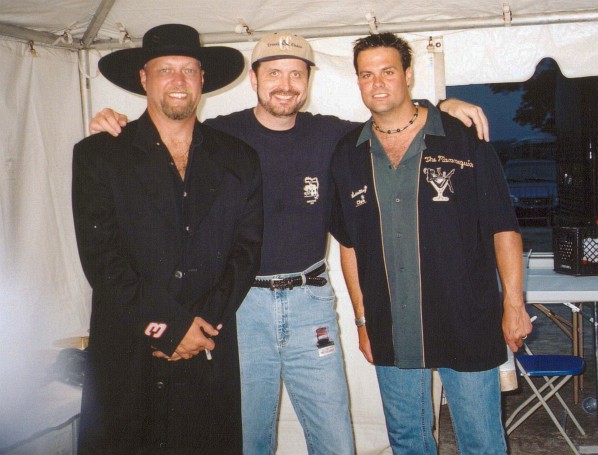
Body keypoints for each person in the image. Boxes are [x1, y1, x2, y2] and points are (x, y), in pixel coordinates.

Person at [89, 31, 490, 454]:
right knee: (246, 437)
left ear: (308, 80)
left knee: (335, 441)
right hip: (242, 307)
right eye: (274, 73)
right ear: (254, 80)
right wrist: (113, 124)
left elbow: (392, 118)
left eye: (296, 74)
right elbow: (163, 130)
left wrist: (439, 107)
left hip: (309, 303)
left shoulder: (332, 135)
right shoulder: (218, 137)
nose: (285, 84)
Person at [330, 32, 533, 454]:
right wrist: (363, 322)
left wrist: (514, 305)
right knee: (408, 441)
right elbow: (348, 245)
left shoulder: (463, 139)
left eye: (388, 71)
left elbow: (503, 228)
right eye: (366, 75)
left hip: (468, 317)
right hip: (391, 325)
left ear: (408, 74)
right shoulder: (347, 153)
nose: (378, 83)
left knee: (481, 440)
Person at [72, 24, 263, 454]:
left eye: (189, 70)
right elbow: (101, 257)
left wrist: (198, 330)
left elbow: (245, 253)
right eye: (166, 70)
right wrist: (168, 329)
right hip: (129, 351)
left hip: (205, 349)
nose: (179, 81)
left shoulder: (239, 159)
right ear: (144, 78)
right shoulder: (98, 156)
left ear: (202, 79)